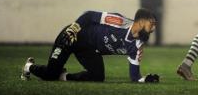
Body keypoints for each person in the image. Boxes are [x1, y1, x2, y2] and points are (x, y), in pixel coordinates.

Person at [21, 8, 160, 83]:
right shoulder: (118, 21)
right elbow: (89, 15)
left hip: (90, 50)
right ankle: (29, 67)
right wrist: (73, 29)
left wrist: (145, 79)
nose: (153, 28)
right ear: (141, 22)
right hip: (74, 37)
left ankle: (64, 76)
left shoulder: (138, 45)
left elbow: (134, 77)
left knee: (97, 77)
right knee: (50, 74)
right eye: (151, 24)